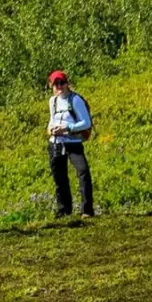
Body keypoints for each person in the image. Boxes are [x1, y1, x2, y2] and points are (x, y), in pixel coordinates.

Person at [47, 70, 95, 219]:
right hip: (56, 143)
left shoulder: (75, 100)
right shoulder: (52, 101)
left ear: (67, 83)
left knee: (83, 172)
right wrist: (50, 130)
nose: (59, 86)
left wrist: (67, 128)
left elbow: (86, 122)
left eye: (62, 83)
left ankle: (87, 210)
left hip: (73, 142)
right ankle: (64, 210)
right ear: (51, 85)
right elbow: (51, 120)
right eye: (56, 84)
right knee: (60, 177)